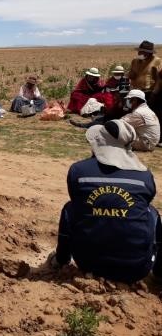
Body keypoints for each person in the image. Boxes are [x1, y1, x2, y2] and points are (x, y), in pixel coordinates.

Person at [50, 120, 161, 283]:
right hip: (136, 269)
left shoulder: (78, 171)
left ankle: (61, 259)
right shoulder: (144, 176)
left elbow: (79, 202)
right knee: (151, 213)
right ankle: (159, 271)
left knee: (70, 208)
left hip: (87, 263)